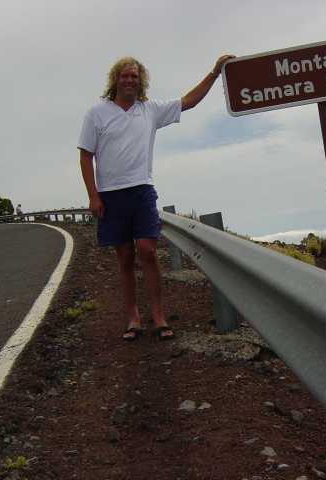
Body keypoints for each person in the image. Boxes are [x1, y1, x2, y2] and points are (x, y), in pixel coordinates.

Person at [78, 54, 234, 341]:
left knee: (148, 251)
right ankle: (133, 318)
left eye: (134, 76)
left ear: (141, 82)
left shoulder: (149, 110)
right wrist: (93, 196)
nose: (129, 80)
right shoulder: (97, 114)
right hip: (111, 196)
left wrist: (214, 72)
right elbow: (86, 156)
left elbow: (188, 101)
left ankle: (159, 316)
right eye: (124, 75)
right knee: (125, 257)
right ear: (115, 79)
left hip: (142, 190)